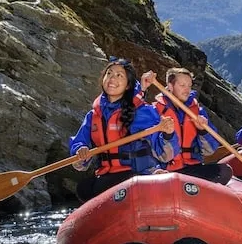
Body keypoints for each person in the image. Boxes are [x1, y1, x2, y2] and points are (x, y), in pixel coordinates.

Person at [70, 58, 177, 202]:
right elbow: (79, 143)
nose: (112, 78)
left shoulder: (142, 111)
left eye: (119, 75)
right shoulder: (93, 116)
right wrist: (80, 151)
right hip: (108, 177)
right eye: (109, 74)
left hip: (138, 175)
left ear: (127, 86)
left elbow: (165, 154)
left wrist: (168, 134)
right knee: (84, 189)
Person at [142, 68, 233, 185]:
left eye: (189, 86)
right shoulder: (155, 112)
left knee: (224, 171)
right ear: (170, 86)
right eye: (182, 85)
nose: (187, 90)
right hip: (168, 171)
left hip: (193, 169)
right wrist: (167, 135)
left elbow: (210, 151)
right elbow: (156, 152)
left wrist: (203, 131)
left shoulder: (197, 112)